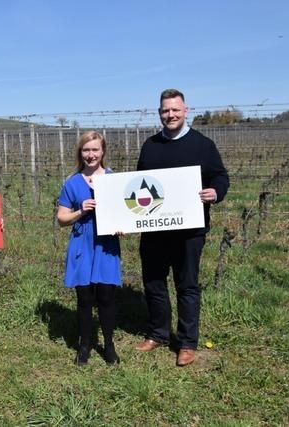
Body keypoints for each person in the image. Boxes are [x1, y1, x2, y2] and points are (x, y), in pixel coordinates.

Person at [135, 89, 229, 366]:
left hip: (189, 231)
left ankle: (187, 342)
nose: (170, 115)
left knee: (186, 285)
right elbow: (140, 183)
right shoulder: (150, 145)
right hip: (154, 228)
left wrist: (216, 192)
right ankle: (158, 334)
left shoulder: (203, 145)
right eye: (165, 111)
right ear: (160, 113)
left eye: (175, 110)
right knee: (153, 282)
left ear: (186, 110)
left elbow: (220, 176)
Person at [57, 131, 122, 366]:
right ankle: (84, 345)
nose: (91, 154)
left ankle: (109, 344)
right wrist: (80, 211)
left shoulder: (115, 180)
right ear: (80, 153)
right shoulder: (72, 182)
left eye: (95, 149)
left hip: (106, 245)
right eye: (86, 150)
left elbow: (126, 213)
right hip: (82, 245)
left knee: (106, 296)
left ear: (103, 151)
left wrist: (122, 226)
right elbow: (61, 218)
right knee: (84, 298)